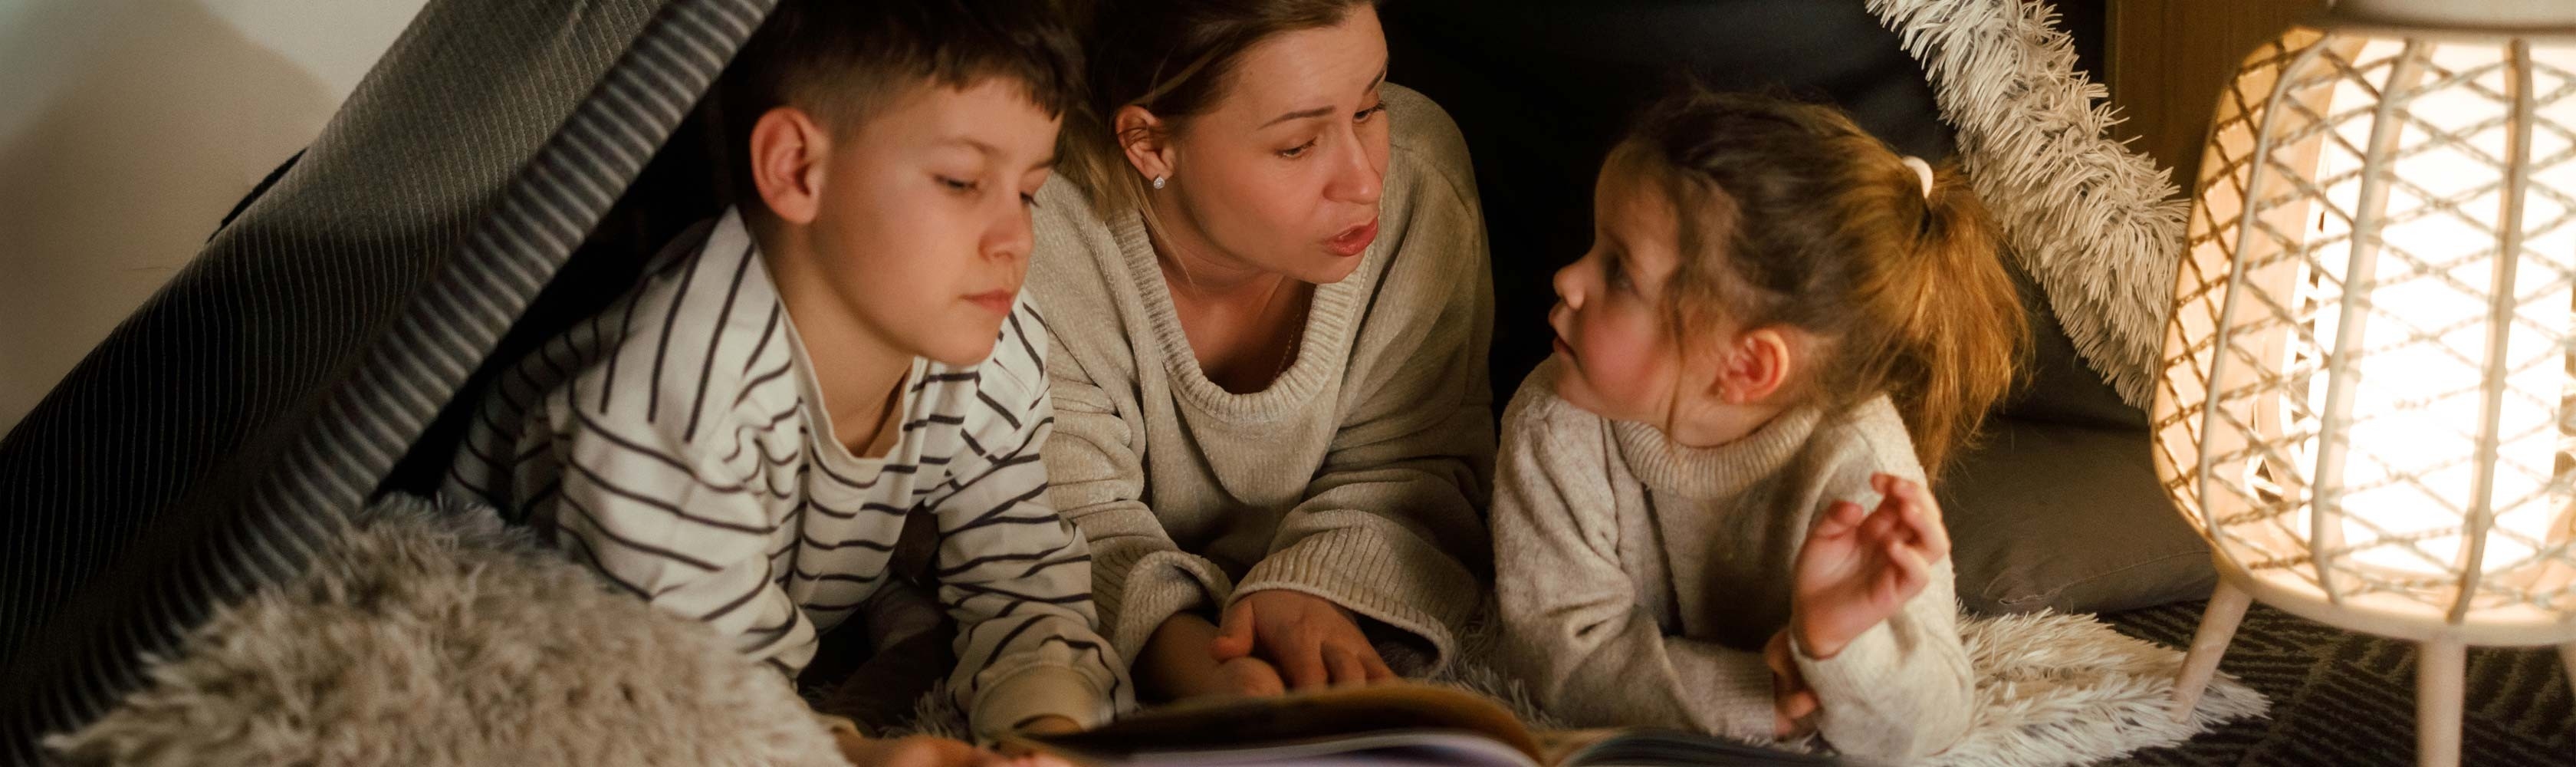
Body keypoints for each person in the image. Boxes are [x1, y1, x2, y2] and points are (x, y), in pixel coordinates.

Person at [445, 0, 1122, 761]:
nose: (1017, 238)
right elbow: (697, 706)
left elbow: (1022, 573)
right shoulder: (672, 405)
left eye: (1028, 190)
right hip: (537, 605)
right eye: (962, 182)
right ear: (797, 167)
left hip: (780, 589)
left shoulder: (985, 335)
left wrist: (1047, 731)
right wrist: (868, 756)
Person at [1490, 87, 2027, 762]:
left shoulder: (1861, 459)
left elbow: (1931, 725)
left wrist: (1839, 644)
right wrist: (1756, 695)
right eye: (1592, 246)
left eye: (1619, 271)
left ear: (1746, 367)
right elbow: (1562, 656)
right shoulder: (1552, 420)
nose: (1566, 278)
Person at [1029, 0, 1496, 701]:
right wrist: (1200, 665)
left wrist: (1316, 591)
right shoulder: (1036, 229)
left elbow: (1423, 467)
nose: (1367, 180)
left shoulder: (1419, 180)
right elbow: (1050, 524)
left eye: (1369, 106)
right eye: (1297, 146)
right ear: (1149, 144)